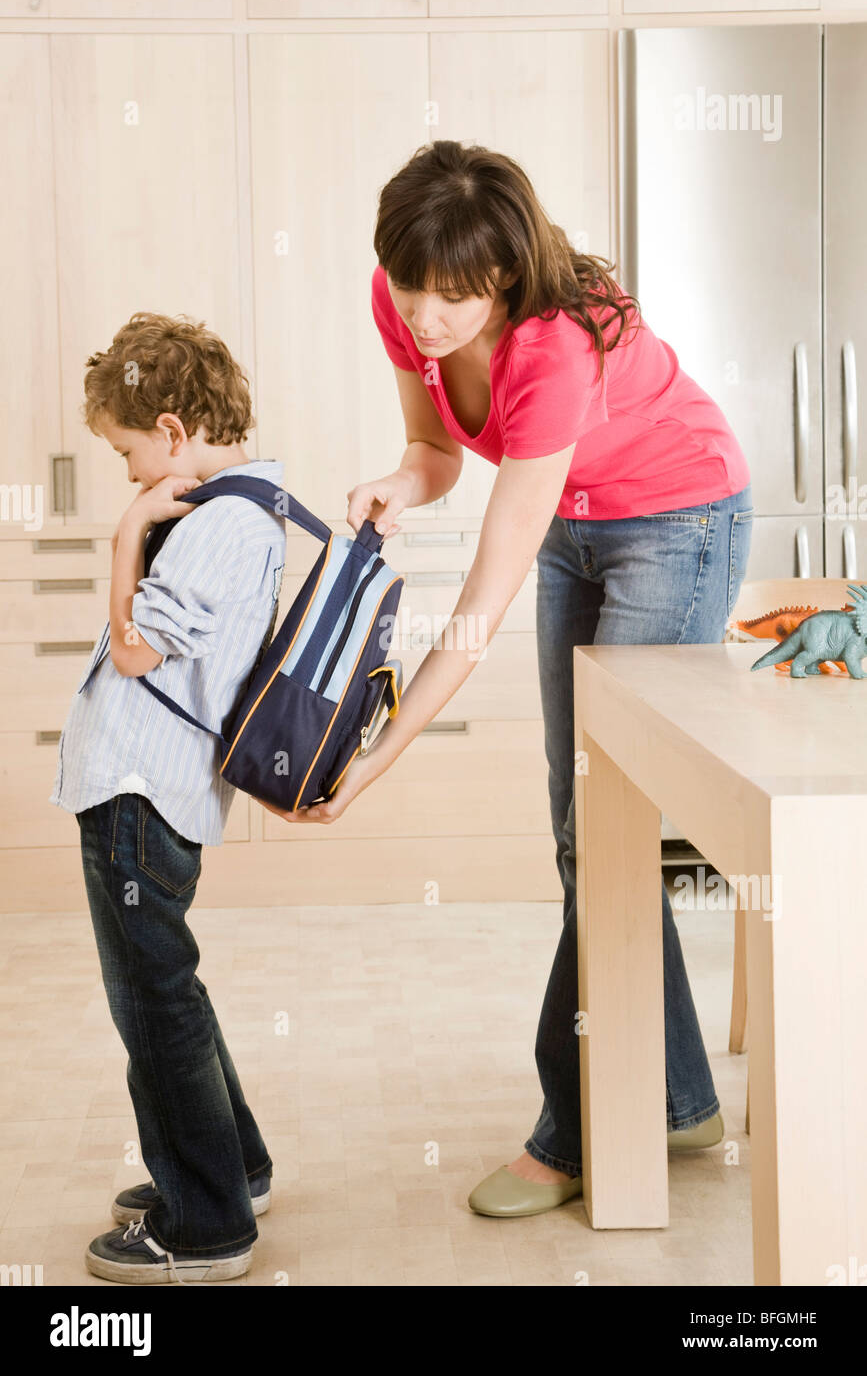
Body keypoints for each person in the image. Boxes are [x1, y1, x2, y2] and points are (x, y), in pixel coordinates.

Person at [278, 139, 754, 1218]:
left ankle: (573, 1127)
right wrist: (400, 483)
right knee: (583, 826)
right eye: (412, 290)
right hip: (575, 528)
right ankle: (678, 1097)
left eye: (453, 295)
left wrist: (370, 761)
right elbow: (434, 446)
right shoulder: (401, 295)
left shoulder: (554, 348)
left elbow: (477, 610)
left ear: (499, 275)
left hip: (675, 520)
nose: (426, 317)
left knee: (606, 827)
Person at [50, 313, 284, 1282]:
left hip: (139, 792)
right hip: (143, 790)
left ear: (177, 431)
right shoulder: (239, 507)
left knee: (154, 1002)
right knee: (167, 988)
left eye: (129, 453)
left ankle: (206, 1222)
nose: (131, 475)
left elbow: (141, 645)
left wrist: (128, 533)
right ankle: (232, 1168)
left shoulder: (217, 519)